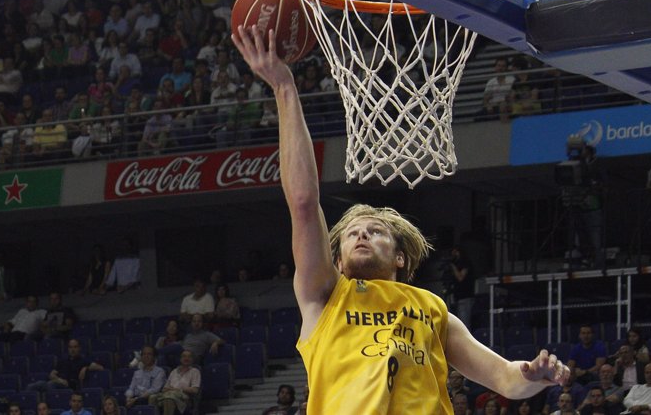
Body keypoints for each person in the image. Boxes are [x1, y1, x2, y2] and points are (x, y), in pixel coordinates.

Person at [231, 25, 569, 414]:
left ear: (400, 257)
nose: (361, 235)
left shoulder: (431, 308)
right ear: (336, 261)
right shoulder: (323, 295)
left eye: (376, 232)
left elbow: (503, 377)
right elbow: (304, 203)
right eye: (352, 234)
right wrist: (284, 88)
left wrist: (533, 375)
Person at [27, 339, 104, 392]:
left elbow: (100, 368)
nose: (72, 349)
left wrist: (85, 368)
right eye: (70, 347)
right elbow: (52, 374)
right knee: (33, 385)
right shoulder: (63, 360)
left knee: (51, 385)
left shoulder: (83, 360)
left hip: (69, 385)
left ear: (79, 348)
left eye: (75, 347)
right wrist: (59, 380)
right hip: (58, 381)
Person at [148, 350, 200, 415]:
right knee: (152, 397)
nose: (186, 358)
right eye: (184, 356)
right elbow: (164, 388)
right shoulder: (174, 371)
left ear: (192, 359)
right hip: (169, 394)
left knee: (169, 399)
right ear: (180, 359)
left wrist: (178, 389)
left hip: (184, 397)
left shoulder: (195, 371)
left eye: (189, 357)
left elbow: (195, 390)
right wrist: (169, 390)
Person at [449, 246, 475, 328]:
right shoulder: (456, 263)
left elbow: (460, 277)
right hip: (458, 297)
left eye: (455, 252)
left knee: (464, 324)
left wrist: (453, 267)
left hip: (465, 297)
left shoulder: (465, 263)